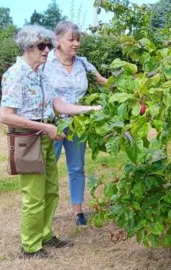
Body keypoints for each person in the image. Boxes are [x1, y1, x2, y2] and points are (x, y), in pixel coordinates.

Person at [0, 25, 102, 258]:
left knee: (51, 191)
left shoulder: (40, 74)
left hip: (45, 137)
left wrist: (93, 108)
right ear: (28, 47)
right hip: (28, 140)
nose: (47, 50)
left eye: (48, 45)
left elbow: (60, 105)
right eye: (42, 46)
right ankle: (31, 246)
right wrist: (45, 127)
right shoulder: (16, 74)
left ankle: (45, 234)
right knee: (34, 197)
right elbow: (5, 116)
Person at [43, 21, 107, 226]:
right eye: (71, 39)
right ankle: (43, 210)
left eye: (78, 39)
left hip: (78, 123)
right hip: (51, 124)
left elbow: (103, 81)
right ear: (57, 40)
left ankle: (78, 211)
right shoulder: (46, 64)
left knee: (77, 167)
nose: (76, 43)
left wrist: (131, 88)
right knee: (46, 167)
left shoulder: (83, 64)